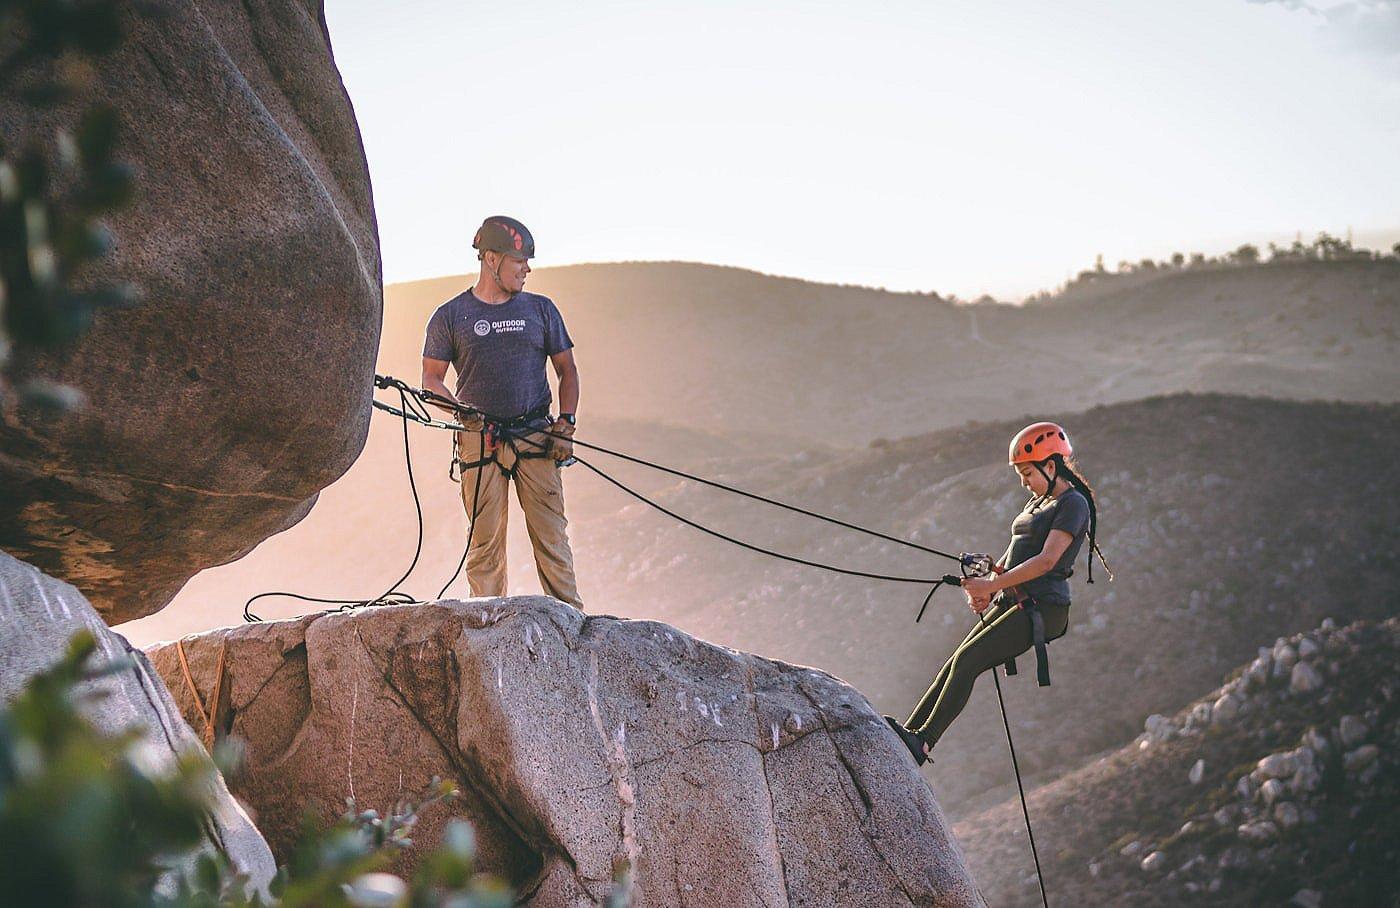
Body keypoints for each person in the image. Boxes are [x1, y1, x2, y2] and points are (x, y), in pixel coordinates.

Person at [885, 422, 1108, 765]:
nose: (1023, 481)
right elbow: (1013, 552)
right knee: (954, 662)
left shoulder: (1072, 504)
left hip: (1043, 607)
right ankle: (909, 734)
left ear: (1051, 466)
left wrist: (992, 586)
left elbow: (1047, 561)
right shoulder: (1037, 503)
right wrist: (987, 586)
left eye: (1027, 472)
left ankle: (923, 742)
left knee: (968, 661)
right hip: (1014, 599)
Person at [421, 215, 584, 609]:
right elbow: (431, 380)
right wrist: (463, 413)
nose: (527, 269)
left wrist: (566, 423)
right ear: (491, 260)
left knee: (552, 537)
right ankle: (487, 620)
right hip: (479, 438)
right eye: (519, 261)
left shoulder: (541, 310)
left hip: (536, 434)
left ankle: (571, 620)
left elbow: (567, 370)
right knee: (484, 542)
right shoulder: (450, 316)